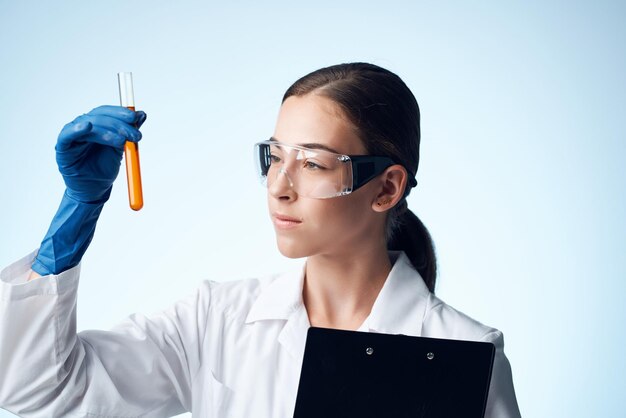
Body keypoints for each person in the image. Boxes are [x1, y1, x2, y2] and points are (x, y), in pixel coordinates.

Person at [0, 62, 522, 417]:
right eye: (274, 156)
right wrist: (74, 218)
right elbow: (40, 392)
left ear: (386, 187)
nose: (278, 187)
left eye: (314, 163)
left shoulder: (464, 354)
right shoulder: (216, 320)